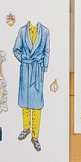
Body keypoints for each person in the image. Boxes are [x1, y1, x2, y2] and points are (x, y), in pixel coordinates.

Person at [13, 21, 50, 152]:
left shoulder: (45, 31)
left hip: (37, 70)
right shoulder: (22, 30)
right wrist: (23, 59)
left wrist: (44, 67)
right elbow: (16, 49)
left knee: (36, 104)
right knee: (25, 102)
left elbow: (46, 51)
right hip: (25, 68)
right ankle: (26, 128)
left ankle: (35, 137)